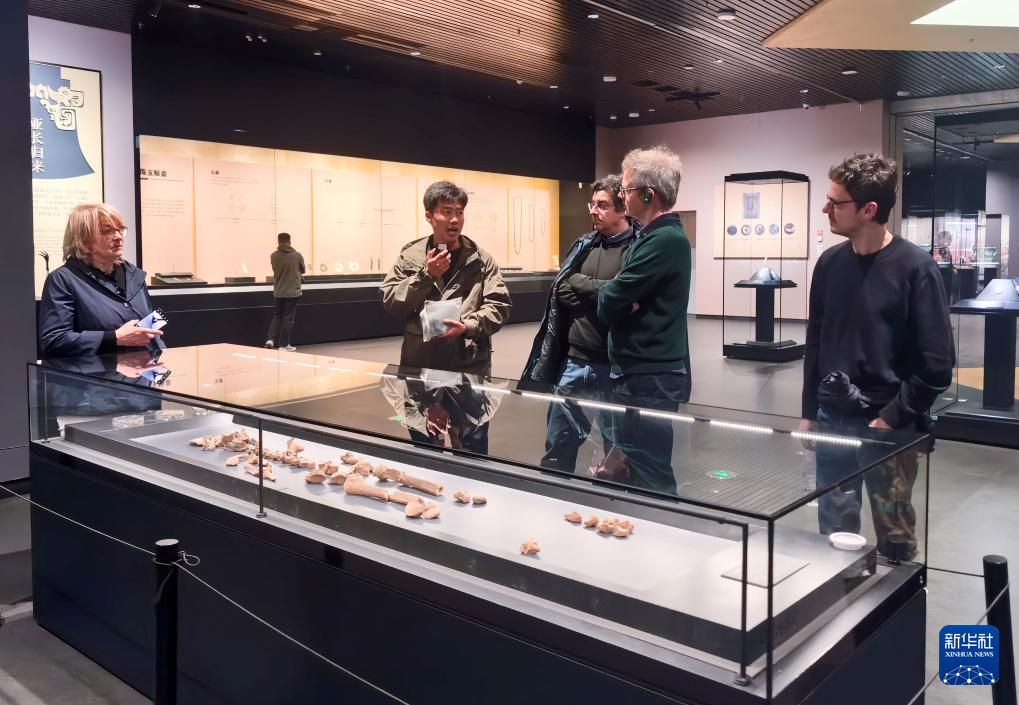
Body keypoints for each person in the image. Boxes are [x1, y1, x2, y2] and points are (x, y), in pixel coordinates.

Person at [800, 153, 955, 561]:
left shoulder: (916, 268)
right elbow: (816, 342)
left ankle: (899, 599)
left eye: (836, 202)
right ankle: (841, 597)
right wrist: (809, 412)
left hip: (890, 427)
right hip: (834, 419)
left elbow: (937, 364)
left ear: (869, 209)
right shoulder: (829, 264)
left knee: (895, 537)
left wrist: (889, 418)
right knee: (833, 532)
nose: (826, 209)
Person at [522, 175, 636, 472]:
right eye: (593, 204)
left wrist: (584, 287)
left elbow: (626, 301)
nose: (594, 211)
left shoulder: (637, 248)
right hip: (573, 362)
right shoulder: (584, 244)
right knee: (558, 441)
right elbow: (561, 289)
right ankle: (553, 491)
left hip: (613, 367)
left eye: (603, 205)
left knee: (616, 450)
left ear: (622, 208)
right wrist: (603, 295)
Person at [596, 146, 692, 493]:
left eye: (626, 190)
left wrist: (616, 298)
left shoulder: (664, 240)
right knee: (636, 466)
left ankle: (662, 523)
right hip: (640, 372)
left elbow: (609, 300)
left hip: (650, 377)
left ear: (648, 194)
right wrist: (621, 298)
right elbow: (617, 296)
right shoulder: (652, 237)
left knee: (651, 471)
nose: (622, 196)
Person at [380, 180, 512, 377]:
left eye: (459, 212)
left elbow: (499, 305)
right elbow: (392, 302)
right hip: (420, 361)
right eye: (447, 212)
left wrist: (467, 326)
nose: (455, 220)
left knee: (466, 398)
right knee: (419, 398)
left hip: (468, 362)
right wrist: (426, 276)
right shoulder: (411, 256)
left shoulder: (481, 259)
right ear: (429, 216)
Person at [39, 203, 162, 359]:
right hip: (98, 373)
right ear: (83, 239)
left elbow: (151, 333)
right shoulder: (63, 279)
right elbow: (54, 341)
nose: (118, 237)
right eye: (108, 231)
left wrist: (161, 363)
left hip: (144, 371)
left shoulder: (133, 275)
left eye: (120, 229)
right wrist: (114, 338)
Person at [265, 232, 306, 351]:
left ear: (278, 242)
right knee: (288, 318)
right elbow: (303, 269)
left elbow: (276, 270)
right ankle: (283, 344)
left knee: (277, 315)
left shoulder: (273, 256)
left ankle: (270, 339)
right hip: (292, 292)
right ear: (290, 241)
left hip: (278, 291)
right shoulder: (297, 255)